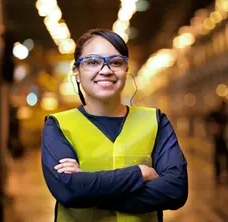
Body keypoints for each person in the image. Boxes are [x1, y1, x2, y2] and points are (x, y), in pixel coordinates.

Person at [41, 29, 188, 222]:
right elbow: (68, 191)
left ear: (126, 70)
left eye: (116, 62)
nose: (105, 70)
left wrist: (88, 188)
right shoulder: (58, 126)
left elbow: (175, 191)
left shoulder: (155, 121)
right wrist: (140, 173)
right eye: (92, 62)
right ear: (76, 71)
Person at [205, 99, 228, 186]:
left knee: (220, 158)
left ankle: (222, 177)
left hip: (220, 139)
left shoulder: (220, 114)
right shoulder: (219, 114)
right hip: (219, 139)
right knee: (224, 158)